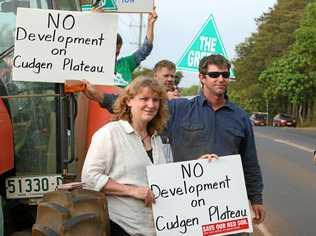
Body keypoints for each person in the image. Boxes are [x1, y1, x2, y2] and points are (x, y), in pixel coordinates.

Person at [90, 54, 266, 227]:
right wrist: (100, 97)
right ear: (202, 77)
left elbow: (250, 162)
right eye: (214, 75)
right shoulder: (178, 109)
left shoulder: (241, 117)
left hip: (226, 207)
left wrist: (256, 199)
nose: (221, 79)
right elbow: (142, 105)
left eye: (225, 75)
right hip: (185, 206)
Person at [81, 77, 168, 236]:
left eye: (156, 100)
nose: (151, 104)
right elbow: (90, 178)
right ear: (129, 101)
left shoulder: (157, 139)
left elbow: (167, 179)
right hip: (122, 228)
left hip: (155, 229)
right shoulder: (110, 133)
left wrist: (204, 167)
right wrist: (133, 191)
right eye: (144, 99)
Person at [92, 7, 158, 87]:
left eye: (118, 48)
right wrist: (92, 19)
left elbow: (146, 49)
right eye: (113, 47)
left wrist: (150, 24)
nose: (117, 51)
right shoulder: (91, 65)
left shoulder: (125, 63)